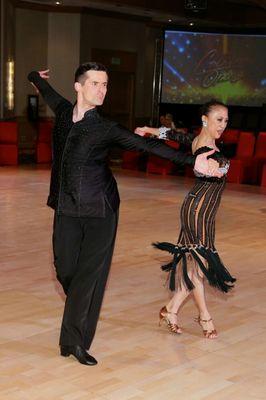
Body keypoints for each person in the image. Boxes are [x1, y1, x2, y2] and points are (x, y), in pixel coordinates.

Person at [28, 63, 222, 366]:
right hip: (65, 206)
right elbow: (47, 92)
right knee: (65, 269)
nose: (102, 90)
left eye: (105, 85)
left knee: (87, 277)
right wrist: (33, 78)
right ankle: (77, 322)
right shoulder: (64, 113)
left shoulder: (106, 127)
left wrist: (192, 162)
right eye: (95, 84)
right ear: (78, 87)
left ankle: (74, 342)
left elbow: (147, 146)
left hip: (100, 210)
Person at [135, 100, 236, 339]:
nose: (223, 125)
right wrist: (207, 168)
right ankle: (204, 317)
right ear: (205, 119)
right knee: (199, 268)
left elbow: (174, 136)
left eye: (226, 121)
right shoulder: (203, 147)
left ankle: (171, 310)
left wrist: (149, 130)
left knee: (198, 268)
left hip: (204, 214)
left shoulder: (200, 140)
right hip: (197, 212)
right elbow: (201, 165)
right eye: (219, 119)